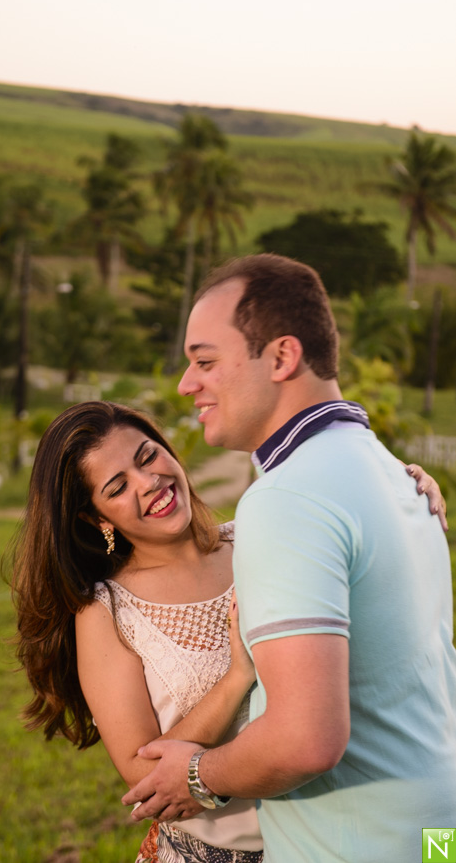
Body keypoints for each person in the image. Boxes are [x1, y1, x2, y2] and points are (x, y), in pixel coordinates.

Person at [5, 397, 445, 863]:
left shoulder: (265, 536)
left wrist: (402, 494)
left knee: (444, 852)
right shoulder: (106, 612)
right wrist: (238, 676)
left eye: (148, 456)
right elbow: (145, 776)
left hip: (345, 836)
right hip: (211, 854)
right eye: (118, 487)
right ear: (96, 519)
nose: (148, 482)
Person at [122, 254, 456, 863]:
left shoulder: (287, 498)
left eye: (205, 361)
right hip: (436, 832)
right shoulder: (394, 474)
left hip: (362, 844)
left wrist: (197, 776)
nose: (186, 384)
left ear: (281, 357)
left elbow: (308, 739)